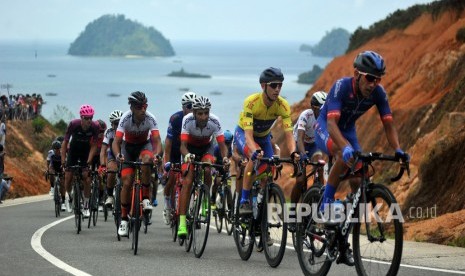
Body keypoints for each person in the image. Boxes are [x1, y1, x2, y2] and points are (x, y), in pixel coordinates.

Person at [314, 50, 410, 266]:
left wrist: (398, 149)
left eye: (378, 79)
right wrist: (345, 148)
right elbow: (331, 124)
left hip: (348, 130)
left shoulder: (379, 93)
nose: (374, 83)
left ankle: (344, 239)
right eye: (370, 78)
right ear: (357, 73)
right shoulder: (341, 86)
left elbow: (388, 123)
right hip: (326, 127)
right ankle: (325, 204)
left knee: (360, 179)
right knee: (342, 153)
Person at [235, 67, 298, 215]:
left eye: (280, 85)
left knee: (268, 174)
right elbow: (249, 135)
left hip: (263, 137)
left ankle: (261, 219)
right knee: (254, 157)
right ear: (263, 86)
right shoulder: (251, 102)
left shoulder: (283, 106)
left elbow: (289, 135)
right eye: (273, 85)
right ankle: (244, 201)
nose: (277, 89)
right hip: (244, 134)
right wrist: (254, 151)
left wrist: (294, 152)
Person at [177, 95, 230, 237]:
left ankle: (205, 197)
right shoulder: (186, 120)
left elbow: (222, 145)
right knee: (187, 181)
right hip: (190, 149)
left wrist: (225, 158)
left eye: (206, 112)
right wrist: (187, 155)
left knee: (207, 168)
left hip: (206, 148)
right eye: (200, 113)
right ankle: (182, 223)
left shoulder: (215, 121)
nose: (203, 116)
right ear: (194, 113)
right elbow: (182, 145)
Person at [112, 91, 163, 237]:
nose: (143, 109)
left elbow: (158, 141)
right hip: (127, 148)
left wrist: (157, 155)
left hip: (143, 146)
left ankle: (146, 198)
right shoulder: (125, 118)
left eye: (145, 106)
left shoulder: (150, 118)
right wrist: (118, 155)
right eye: (140, 107)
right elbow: (116, 142)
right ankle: (123, 219)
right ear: (132, 108)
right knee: (127, 182)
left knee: (147, 161)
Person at [162, 91, 196, 225]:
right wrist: (167, 163)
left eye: (194, 106)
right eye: (189, 106)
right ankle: (167, 205)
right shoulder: (175, 119)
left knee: (189, 180)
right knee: (171, 179)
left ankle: (188, 210)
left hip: (188, 151)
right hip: (175, 151)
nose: (191, 109)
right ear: (183, 107)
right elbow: (168, 143)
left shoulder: (196, 118)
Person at [61, 104, 99, 218]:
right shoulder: (73, 124)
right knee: (68, 177)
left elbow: (94, 146)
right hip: (73, 150)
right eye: (86, 118)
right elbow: (65, 142)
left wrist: (89, 160)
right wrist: (63, 158)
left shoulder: (95, 127)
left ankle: (86, 205)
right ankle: (70, 196)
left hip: (85, 151)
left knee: (86, 177)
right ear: (81, 118)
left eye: (90, 118)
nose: (89, 121)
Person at [291, 91, 327, 204]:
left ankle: (318, 198)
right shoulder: (306, 115)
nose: (324, 112)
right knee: (301, 181)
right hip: (299, 143)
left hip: (313, 144)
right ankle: (292, 209)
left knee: (320, 167)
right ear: (313, 107)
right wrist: (303, 155)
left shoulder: (325, 118)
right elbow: (300, 139)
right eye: (321, 109)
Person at [99, 110, 123, 208]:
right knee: (111, 171)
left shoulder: (126, 131)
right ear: (112, 124)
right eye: (115, 123)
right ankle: (109, 196)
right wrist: (103, 166)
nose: (118, 126)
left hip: (125, 156)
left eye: (119, 123)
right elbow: (103, 150)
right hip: (113, 156)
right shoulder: (109, 132)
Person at [47, 140, 66, 211]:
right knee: (51, 173)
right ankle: (52, 187)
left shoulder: (62, 153)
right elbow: (49, 163)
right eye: (55, 148)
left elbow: (65, 163)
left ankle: (63, 203)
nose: (56, 149)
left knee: (62, 184)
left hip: (61, 167)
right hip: (53, 167)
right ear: (53, 148)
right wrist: (48, 170)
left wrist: (64, 170)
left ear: (60, 148)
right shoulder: (50, 153)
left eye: (58, 148)